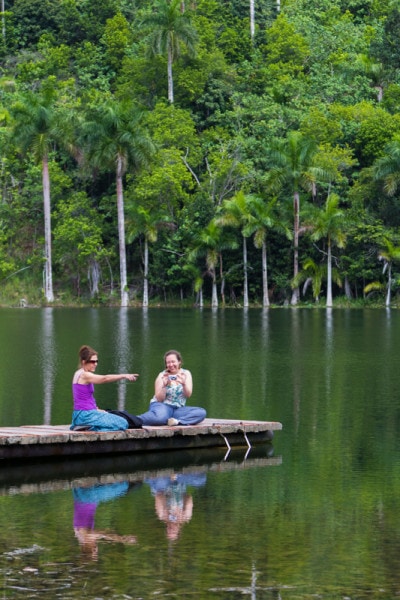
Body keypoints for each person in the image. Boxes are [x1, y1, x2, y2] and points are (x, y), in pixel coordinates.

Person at [71, 344, 142, 431]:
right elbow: (105, 378)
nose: (95, 364)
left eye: (97, 361)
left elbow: (83, 398)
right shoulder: (85, 375)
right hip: (86, 415)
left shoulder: (78, 373)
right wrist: (124, 375)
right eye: (92, 362)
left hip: (80, 414)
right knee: (123, 423)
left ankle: (86, 426)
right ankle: (90, 428)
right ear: (84, 362)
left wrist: (97, 409)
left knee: (114, 417)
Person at [138, 349, 207, 427]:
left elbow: (188, 395)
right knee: (160, 418)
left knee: (201, 412)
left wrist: (184, 384)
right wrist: (164, 385)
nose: (171, 365)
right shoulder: (162, 375)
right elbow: (159, 399)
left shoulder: (186, 373)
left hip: (178, 409)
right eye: (168, 362)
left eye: (173, 362)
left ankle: (177, 422)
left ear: (179, 361)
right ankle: (134, 420)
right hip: (162, 406)